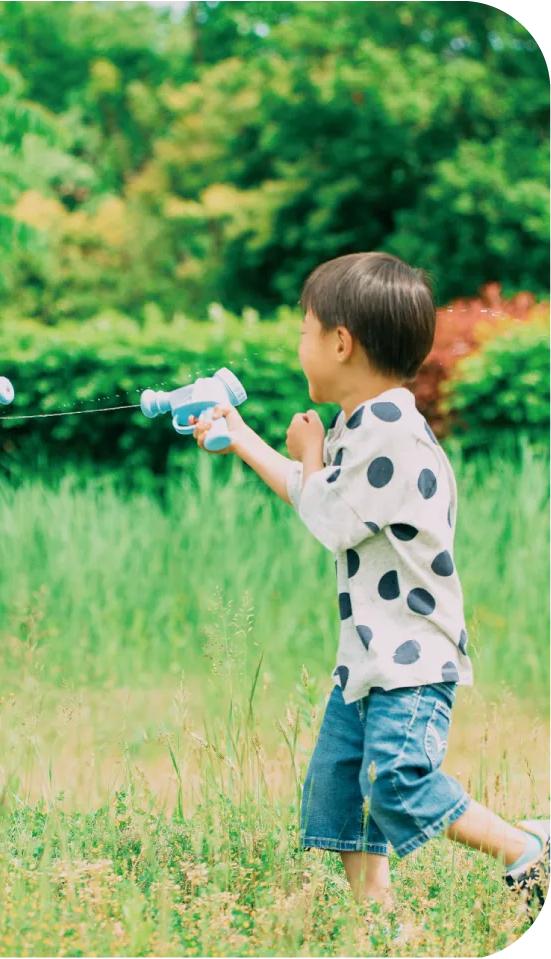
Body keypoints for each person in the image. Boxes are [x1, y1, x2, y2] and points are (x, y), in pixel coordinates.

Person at [192, 251, 549, 912]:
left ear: (339, 341)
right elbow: (321, 501)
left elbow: (326, 513)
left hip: (411, 659)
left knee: (396, 781)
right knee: (343, 785)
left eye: (303, 331)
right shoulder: (366, 424)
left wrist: (310, 452)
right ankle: (376, 918)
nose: (298, 345)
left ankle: (528, 848)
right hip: (369, 658)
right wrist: (240, 437)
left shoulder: (392, 434)